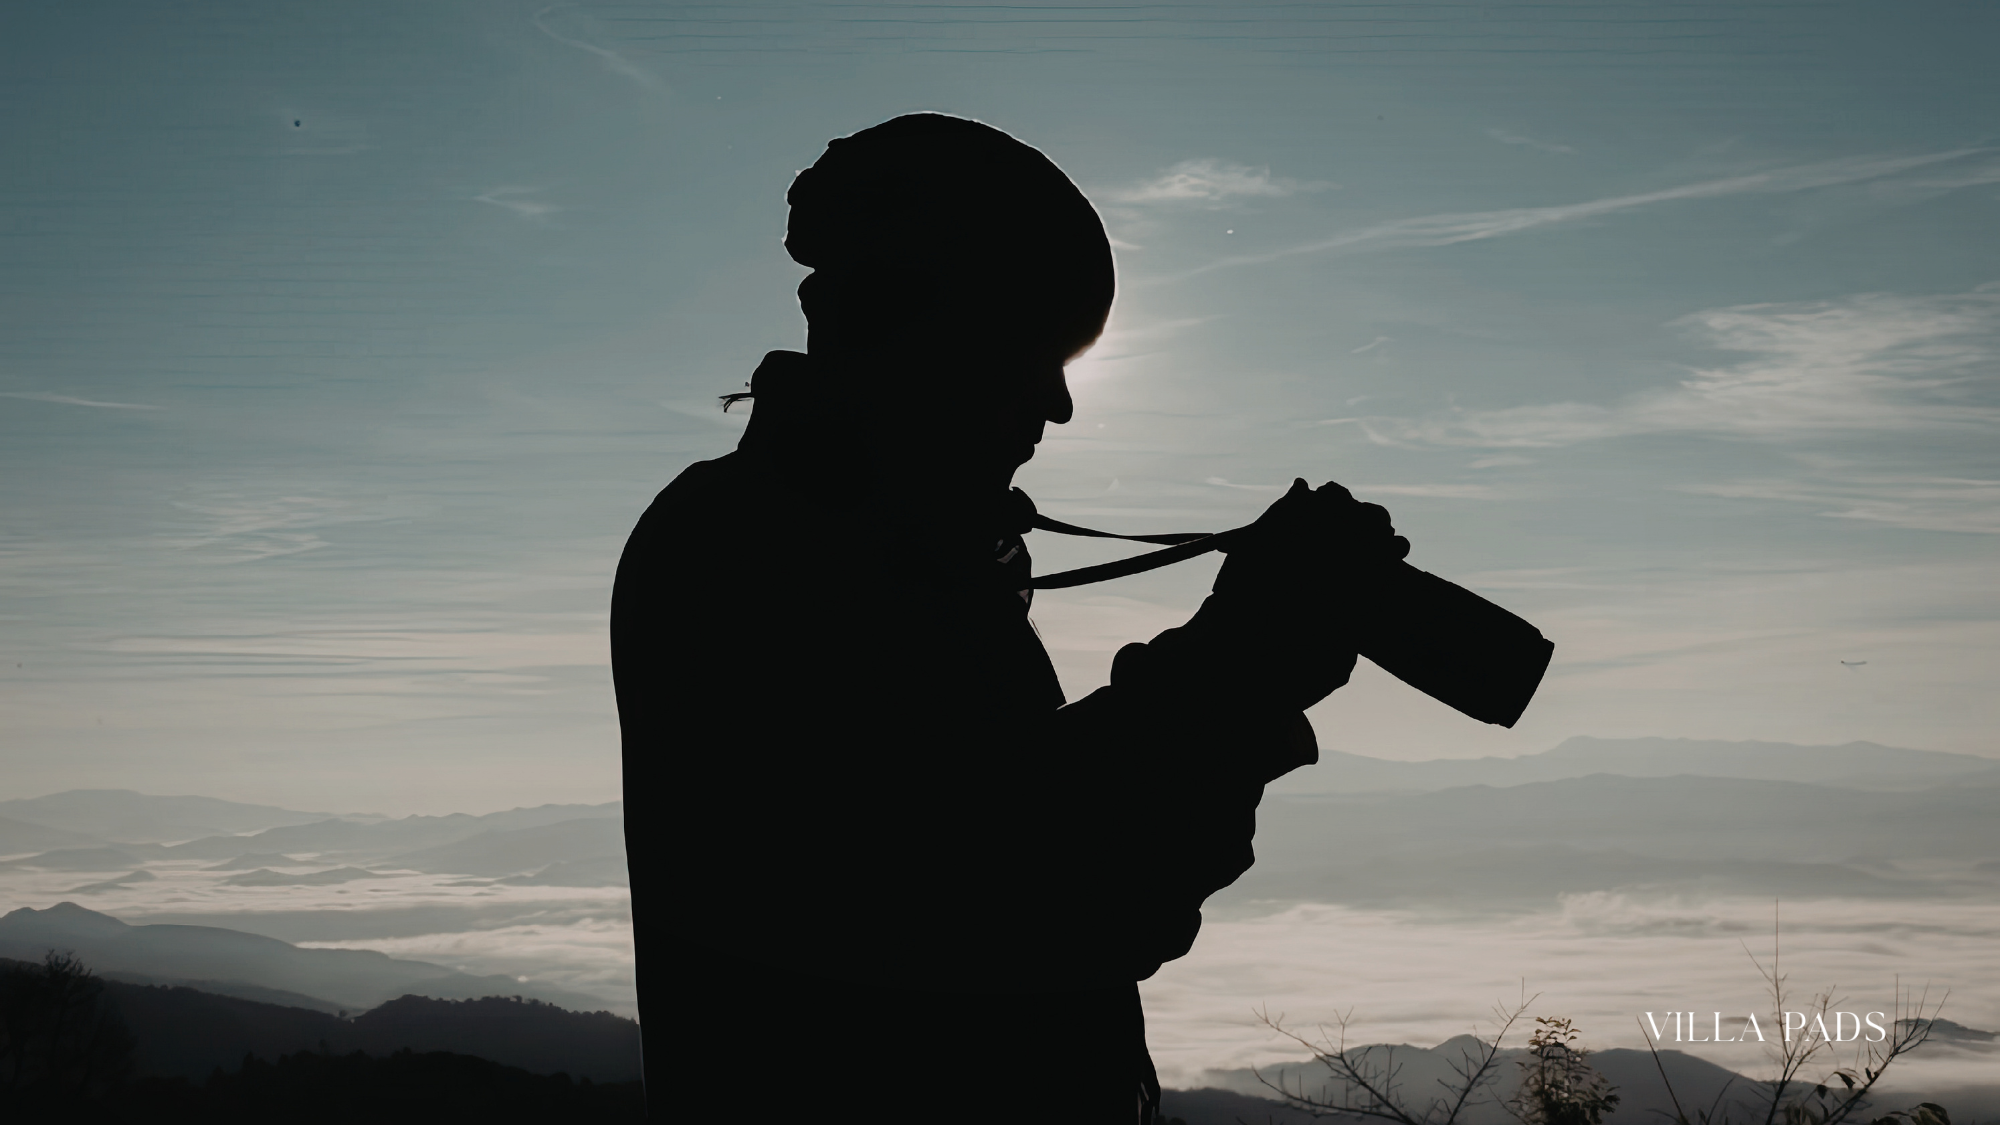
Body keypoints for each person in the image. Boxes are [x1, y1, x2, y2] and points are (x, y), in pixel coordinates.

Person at [612, 113, 1410, 1123]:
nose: (1058, 403)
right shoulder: (753, 552)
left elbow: (990, 837)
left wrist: (1233, 664)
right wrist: (1239, 668)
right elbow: (1013, 900)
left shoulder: (864, 545)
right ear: (920, 331)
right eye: (1031, 348)